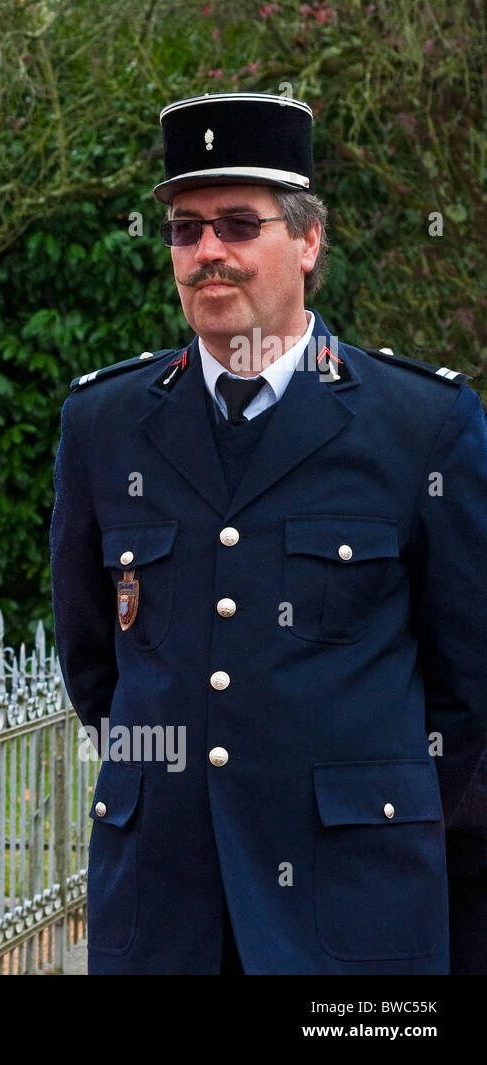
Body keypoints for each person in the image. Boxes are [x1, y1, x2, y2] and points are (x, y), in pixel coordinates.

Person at [48, 91, 487, 974]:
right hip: (164, 907)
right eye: (185, 228)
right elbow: (96, 662)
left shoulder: (421, 426)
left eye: (239, 224)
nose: (209, 252)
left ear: (309, 241)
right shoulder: (105, 424)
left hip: (351, 915)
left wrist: (364, 804)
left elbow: (467, 684)